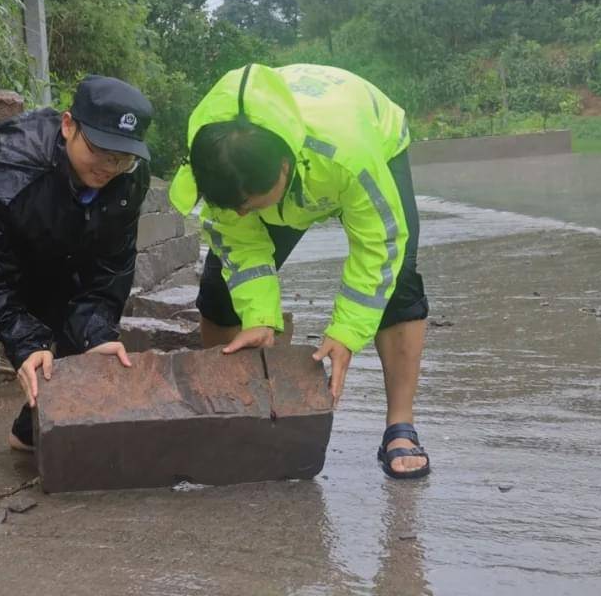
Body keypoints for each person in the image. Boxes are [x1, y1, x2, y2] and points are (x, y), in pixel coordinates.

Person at [169, 63, 430, 479]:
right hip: (275, 157)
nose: (241, 212)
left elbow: (378, 246)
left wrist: (346, 332)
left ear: (284, 171)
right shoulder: (215, 154)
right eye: (233, 204)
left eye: (251, 202)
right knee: (220, 290)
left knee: (398, 279)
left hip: (367, 137)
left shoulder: (349, 155)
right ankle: (229, 411)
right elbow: (238, 237)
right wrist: (257, 317)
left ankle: (400, 425)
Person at [0, 75, 153, 452]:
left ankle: (30, 431)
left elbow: (111, 268)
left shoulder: (129, 179)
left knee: (86, 344)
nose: (109, 167)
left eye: (122, 157)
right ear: (69, 125)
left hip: (50, 254)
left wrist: (96, 333)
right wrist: (26, 343)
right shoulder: (15, 163)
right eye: (100, 150)